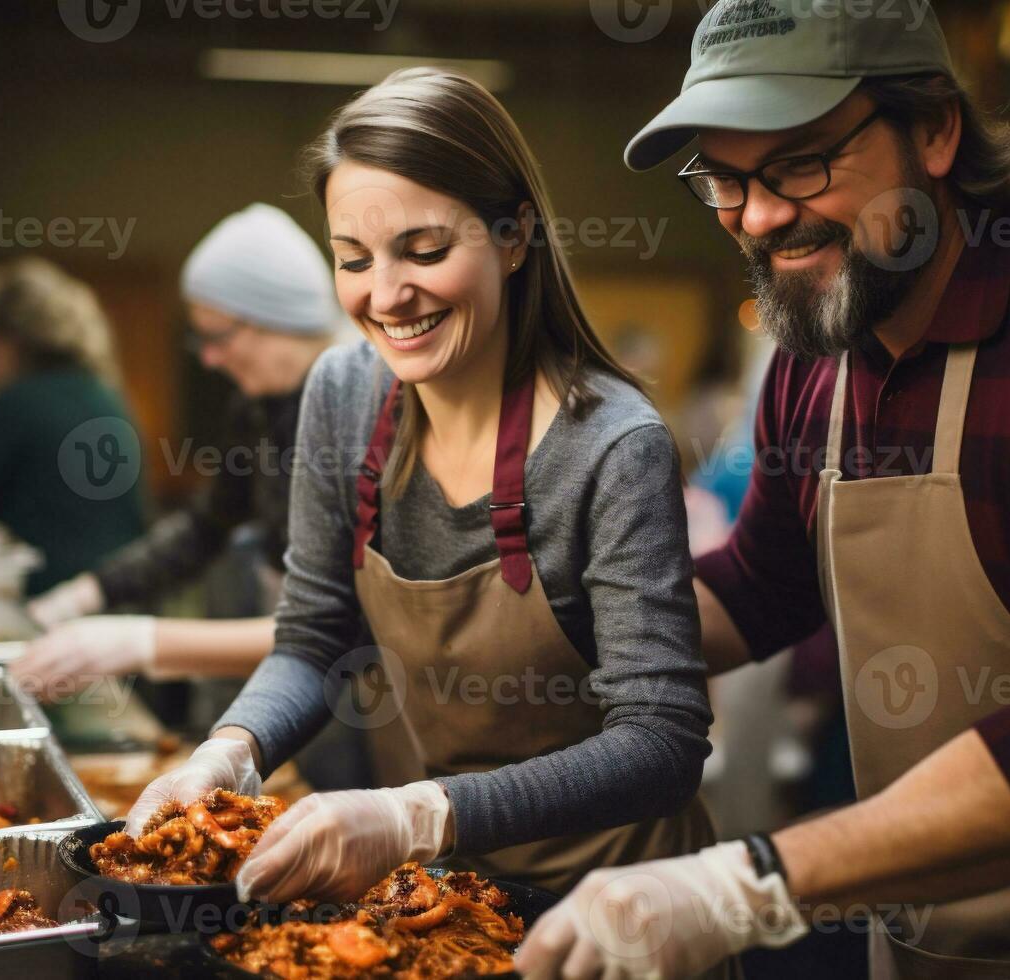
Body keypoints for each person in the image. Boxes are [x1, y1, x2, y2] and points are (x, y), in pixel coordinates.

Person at [518, 3, 1010, 978]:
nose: (761, 215)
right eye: (725, 179)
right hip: (927, 937)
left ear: (936, 129)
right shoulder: (827, 350)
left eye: (802, 161)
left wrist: (749, 881)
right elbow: (764, 581)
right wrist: (535, 632)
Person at [122, 67, 717, 905]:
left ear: (513, 239)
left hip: (618, 906)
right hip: (441, 893)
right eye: (353, 260)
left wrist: (416, 816)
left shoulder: (612, 447)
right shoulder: (343, 395)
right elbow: (315, 636)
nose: (386, 295)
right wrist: (233, 748)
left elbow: (661, 742)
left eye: (425, 251)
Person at [14, 204, 341, 688]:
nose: (208, 358)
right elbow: (207, 525)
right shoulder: (253, 410)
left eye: (216, 336)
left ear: (273, 320)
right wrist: (92, 591)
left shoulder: (350, 409)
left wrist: (142, 642)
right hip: (290, 660)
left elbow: (336, 622)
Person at [0, 257, 144, 595]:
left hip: (49, 596)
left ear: (4, 340)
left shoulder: (15, 403)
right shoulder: (107, 394)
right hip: (119, 589)